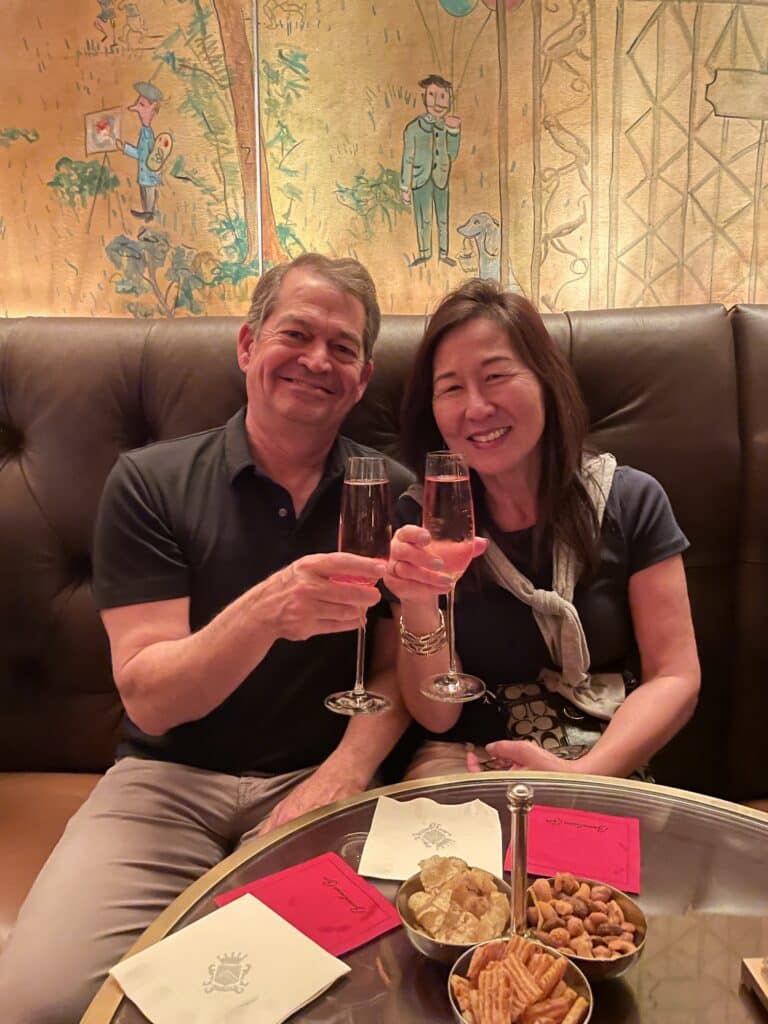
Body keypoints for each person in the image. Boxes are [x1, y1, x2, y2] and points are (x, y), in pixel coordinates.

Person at [0, 253, 413, 1022]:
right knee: (39, 1005)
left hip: (315, 781)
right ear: (248, 346)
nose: (318, 360)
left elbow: (395, 674)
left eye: (344, 348)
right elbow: (152, 701)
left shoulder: (390, 492)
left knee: (349, 999)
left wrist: (344, 772)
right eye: (297, 332)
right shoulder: (150, 483)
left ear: (359, 382)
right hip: (165, 783)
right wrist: (269, 609)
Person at [383, 279, 700, 780]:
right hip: (467, 759)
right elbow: (437, 714)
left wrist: (584, 774)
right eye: (450, 388)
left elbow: (675, 674)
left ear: (546, 381)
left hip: (602, 754)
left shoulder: (631, 499)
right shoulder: (420, 523)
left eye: (496, 376)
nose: (477, 408)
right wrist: (419, 602)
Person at [400, 74, 461, 268]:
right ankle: (425, 253)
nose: (437, 102)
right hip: (420, 178)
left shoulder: (447, 127)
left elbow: (453, 153)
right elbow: (407, 158)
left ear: (449, 100)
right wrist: (404, 185)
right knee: (423, 218)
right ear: (424, 98)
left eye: (443, 96)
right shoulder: (413, 129)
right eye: (432, 95)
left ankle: (444, 253)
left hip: (441, 177)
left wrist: (454, 132)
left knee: (442, 217)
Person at [116, 80, 164, 221]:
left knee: (149, 192)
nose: (137, 109)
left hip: (149, 174)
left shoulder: (149, 134)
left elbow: (156, 155)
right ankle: (147, 212)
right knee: (144, 191)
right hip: (144, 174)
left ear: (153, 107)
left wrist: (156, 170)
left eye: (142, 105)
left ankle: (149, 213)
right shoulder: (144, 132)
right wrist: (124, 148)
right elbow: (139, 153)